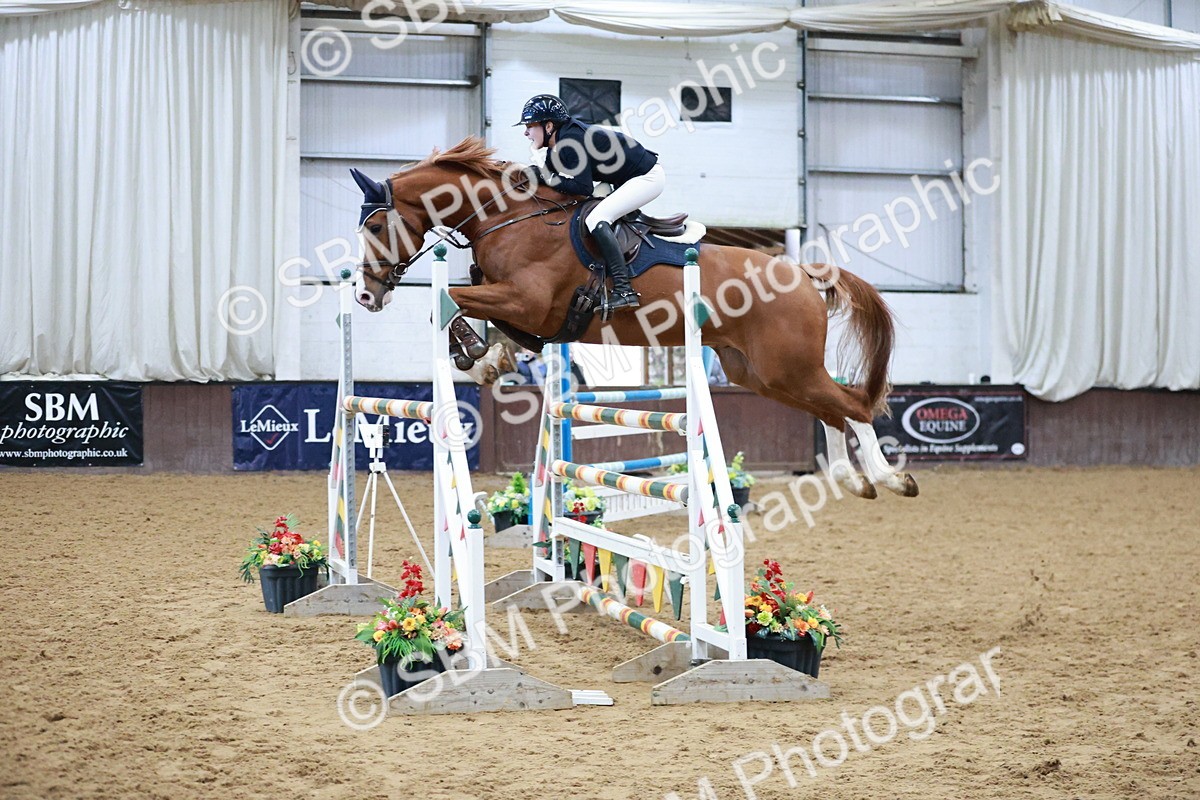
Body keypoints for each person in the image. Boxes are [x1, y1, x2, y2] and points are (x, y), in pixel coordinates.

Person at [516, 94, 665, 313]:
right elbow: (550, 180)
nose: (526, 132)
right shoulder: (558, 144)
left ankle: (624, 291)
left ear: (549, 125)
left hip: (647, 178)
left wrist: (545, 177)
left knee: (596, 218)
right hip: (622, 179)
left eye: (530, 126)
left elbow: (582, 188)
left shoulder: (569, 142)